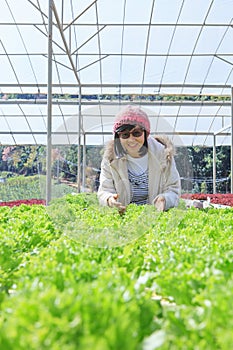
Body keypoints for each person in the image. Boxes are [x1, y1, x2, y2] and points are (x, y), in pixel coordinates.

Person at [97, 105, 181, 213]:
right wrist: (109, 200)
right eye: (125, 135)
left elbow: (173, 189)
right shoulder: (110, 158)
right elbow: (104, 190)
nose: (131, 140)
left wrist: (164, 199)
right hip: (122, 219)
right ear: (118, 137)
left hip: (156, 219)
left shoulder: (163, 155)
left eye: (137, 133)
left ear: (146, 133)